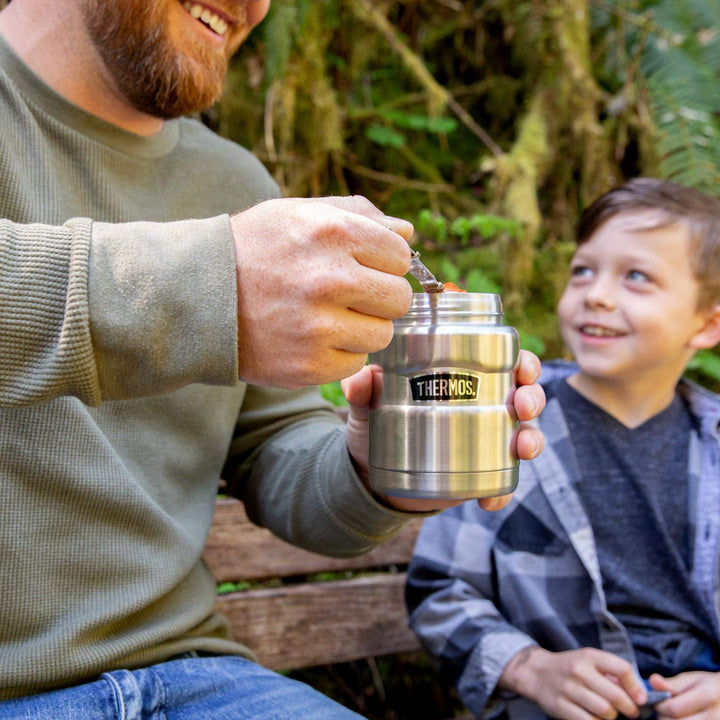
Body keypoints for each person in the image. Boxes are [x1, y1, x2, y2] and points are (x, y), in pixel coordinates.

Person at [0, 0, 546, 717]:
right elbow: (199, 286)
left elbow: (271, 450)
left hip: (192, 678)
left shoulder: (234, 183)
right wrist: (208, 283)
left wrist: (375, 468)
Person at [406, 177, 720, 720]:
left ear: (707, 323)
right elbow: (439, 590)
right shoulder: (504, 422)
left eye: (637, 277)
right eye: (583, 271)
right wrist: (530, 668)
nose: (595, 294)